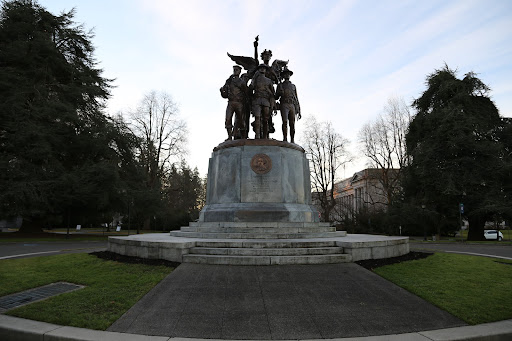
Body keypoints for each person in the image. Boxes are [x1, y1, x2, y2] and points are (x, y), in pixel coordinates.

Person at [220, 65, 247, 140]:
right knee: (228, 119)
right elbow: (225, 95)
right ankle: (229, 136)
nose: (235, 71)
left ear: (239, 71)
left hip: (239, 103)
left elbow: (246, 93)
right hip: (231, 103)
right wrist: (222, 92)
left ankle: (243, 136)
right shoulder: (229, 81)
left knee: (241, 120)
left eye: (237, 70)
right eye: (234, 69)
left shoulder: (242, 82)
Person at [249, 64, 275, 139]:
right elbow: (251, 89)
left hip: (266, 100)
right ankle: (257, 135)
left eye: (264, 68)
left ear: (266, 70)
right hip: (257, 99)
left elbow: (272, 93)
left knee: (265, 119)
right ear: (258, 70)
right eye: (261, 68)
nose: (262, 69)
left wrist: (273, 104)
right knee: (257, 117)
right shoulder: (255, 80)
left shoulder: (269, 81)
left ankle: (265, 136)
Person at [276, 67, 301, 143]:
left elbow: (296, 98)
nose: (287, 75)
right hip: (284, 104)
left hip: (292, 105)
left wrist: (299, 110)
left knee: (292, 123)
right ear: (283, 76)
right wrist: (280, 92)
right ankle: (285, 138)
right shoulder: (280, 85)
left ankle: (292, 140)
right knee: (285, 122)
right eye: (285, 74)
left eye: (288, 74)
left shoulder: (293, 86)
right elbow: (276, 96)